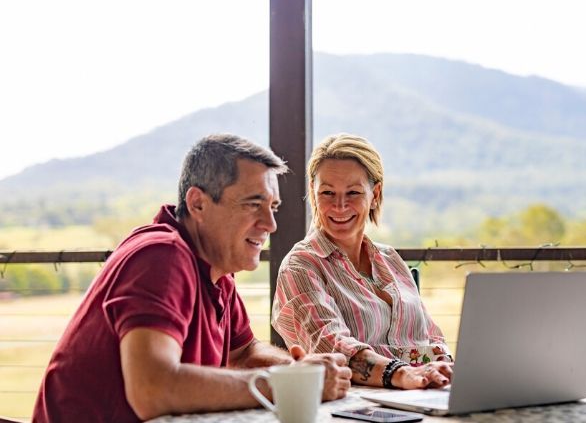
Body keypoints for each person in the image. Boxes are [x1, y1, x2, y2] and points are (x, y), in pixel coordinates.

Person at [33, 134, 352, 422]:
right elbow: (152, 389)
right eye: (253, 204)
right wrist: (284, 385)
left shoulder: (216, 270)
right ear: (198, 203)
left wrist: (302, 373)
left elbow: (244, 353)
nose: (270, 224)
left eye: (273, 207)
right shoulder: (161, 256)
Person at [272, 133, 453, 390]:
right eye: (327, 192)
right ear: (313, 194)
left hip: (424, 393)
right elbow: (332, 346)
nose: (340, 205)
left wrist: (446, 368)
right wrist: (403, 374)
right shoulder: (301, 266)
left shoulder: (391, 259)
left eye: (353, 192)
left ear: (375, 194)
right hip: (354, 405)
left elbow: (432, 336)